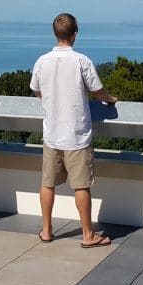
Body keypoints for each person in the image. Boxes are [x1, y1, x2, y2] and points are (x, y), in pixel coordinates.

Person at [30, 13, 117, 248]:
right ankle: (88, 235)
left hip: (52, 133)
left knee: (47, 183)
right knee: (81, 185)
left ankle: (47, 230)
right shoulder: (82, 61)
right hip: (77, 134)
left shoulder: (42, 61)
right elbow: (98, 92)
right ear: (75, 33)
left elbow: (37, 91)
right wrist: (110, 100)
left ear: (55, 33)